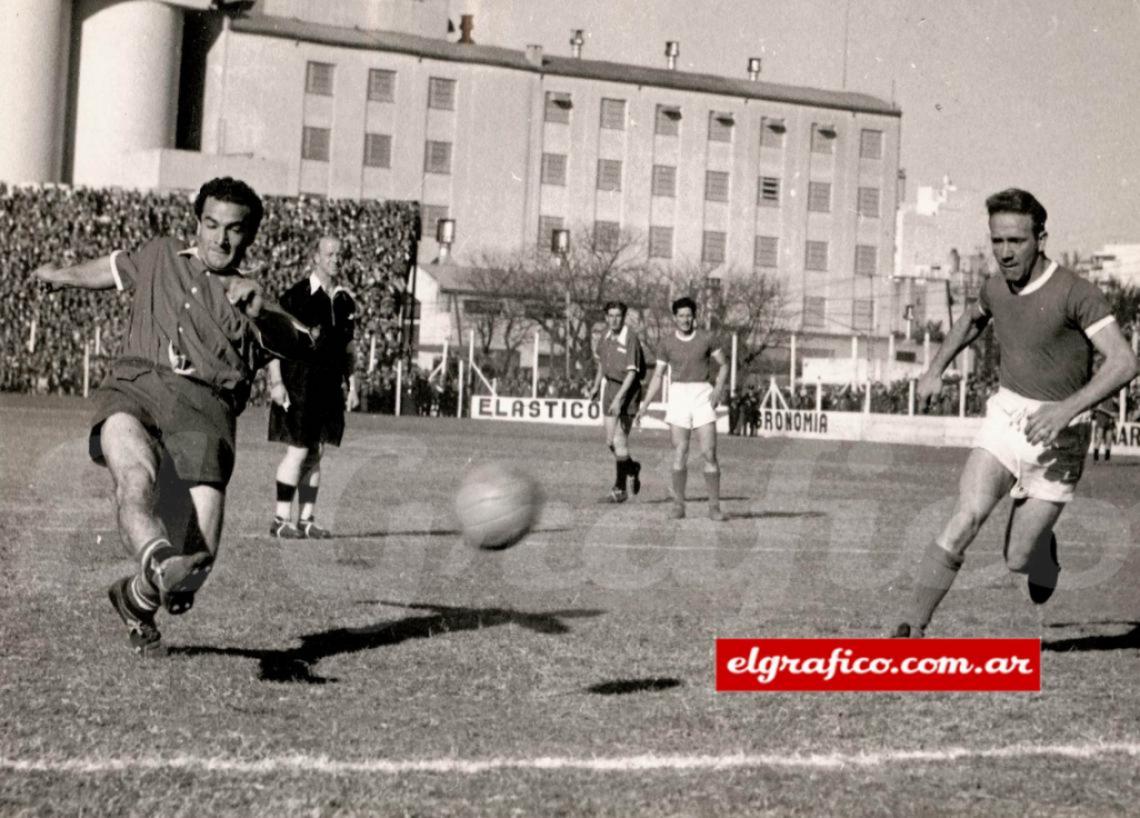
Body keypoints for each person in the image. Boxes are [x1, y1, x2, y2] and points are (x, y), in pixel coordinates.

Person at [32, 177, 316, 656]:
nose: (219, 239)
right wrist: (60, 276)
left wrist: (264, 308)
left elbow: (305, 343)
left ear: (249, 236)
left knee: (196, 568)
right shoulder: (161, 253)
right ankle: (158, 563)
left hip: (205, 416)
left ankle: (136, 597)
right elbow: (110, 269)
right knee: (134, 482)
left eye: (233, 229)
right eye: (210, 224)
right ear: (197, 223)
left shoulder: (249, 298)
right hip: (135, 390)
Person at [893, 188, 1139, 637]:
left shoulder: (1076, 293)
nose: (1005, 253)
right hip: (1006, 417)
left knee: (1018, 560)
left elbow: (1124, 362)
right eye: (997, 241)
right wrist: (934, 370)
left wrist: (1065, 410)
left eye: (1016, 241)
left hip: (1062, 433)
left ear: (1040, 239)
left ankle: (1042, 551)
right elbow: (972, 319)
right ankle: (911, 625)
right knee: (965, 517)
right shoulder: (995, 287)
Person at [267, 236, 359, 538]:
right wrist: (276, 381)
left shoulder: (345, 300)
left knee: (316, 452)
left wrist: (353, 384)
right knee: (298, 450)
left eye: (339, 254)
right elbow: (274, 344)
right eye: (330, 254)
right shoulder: (297, 296)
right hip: (299, 384)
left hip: (329, 387)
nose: (336, 259)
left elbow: (348, 348)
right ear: (315, 257)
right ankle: (281, 519)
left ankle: (306, 520)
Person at [637, 296, 730, 521]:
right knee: (680, 452)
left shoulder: (706, 338)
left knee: (709, 452)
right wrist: (645, 404)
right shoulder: (666, 343)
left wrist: (717, 389)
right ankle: (679, 505)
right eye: (681, 316)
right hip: (678, 396)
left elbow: (724, 365)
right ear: (675, 318)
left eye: (689, 315)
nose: (685, 319)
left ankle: (714, 507)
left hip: (702, 396)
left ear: (694, 316)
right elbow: (658, 376)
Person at [586, 301, 645, 502]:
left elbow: (631, 374)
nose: (614, 319)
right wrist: (595, 386)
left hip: (628, 391)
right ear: (606, 317)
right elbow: (602, 364)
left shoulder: (631, 338)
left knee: (620, 440)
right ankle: (632, 468)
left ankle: (619, 490)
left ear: (624, 316)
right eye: (610, 315)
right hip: (610, 389)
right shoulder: (605, 336)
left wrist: (620, 398)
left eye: (618, 316)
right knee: (611, 442)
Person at [1090, 397, 1117, 462]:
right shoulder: (1102, 397)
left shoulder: (1112, 398)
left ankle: (1107, 459)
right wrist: (1109, 413)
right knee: (1099, 438)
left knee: (1109, 439)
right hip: (1101, 418)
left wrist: (1113, 417)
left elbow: (1114, 409)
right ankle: (1096, 458)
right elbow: (1099, 407)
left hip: (1109, 419)